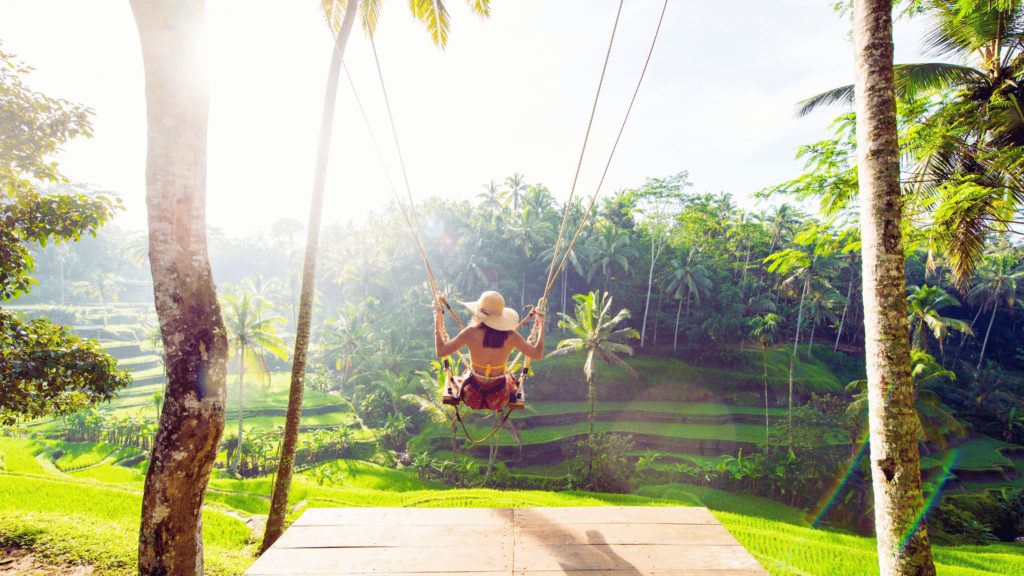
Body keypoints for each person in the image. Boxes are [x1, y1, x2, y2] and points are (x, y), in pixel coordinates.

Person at [434, 290, 545, 410]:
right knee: (509, 378)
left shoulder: (470, 333)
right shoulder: (511, 336)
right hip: (499, 399)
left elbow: (441, 351)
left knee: (467, 374)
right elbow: (538, 354)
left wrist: (437, 321)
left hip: (472, 396)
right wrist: (542, 325)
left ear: (478, 314)